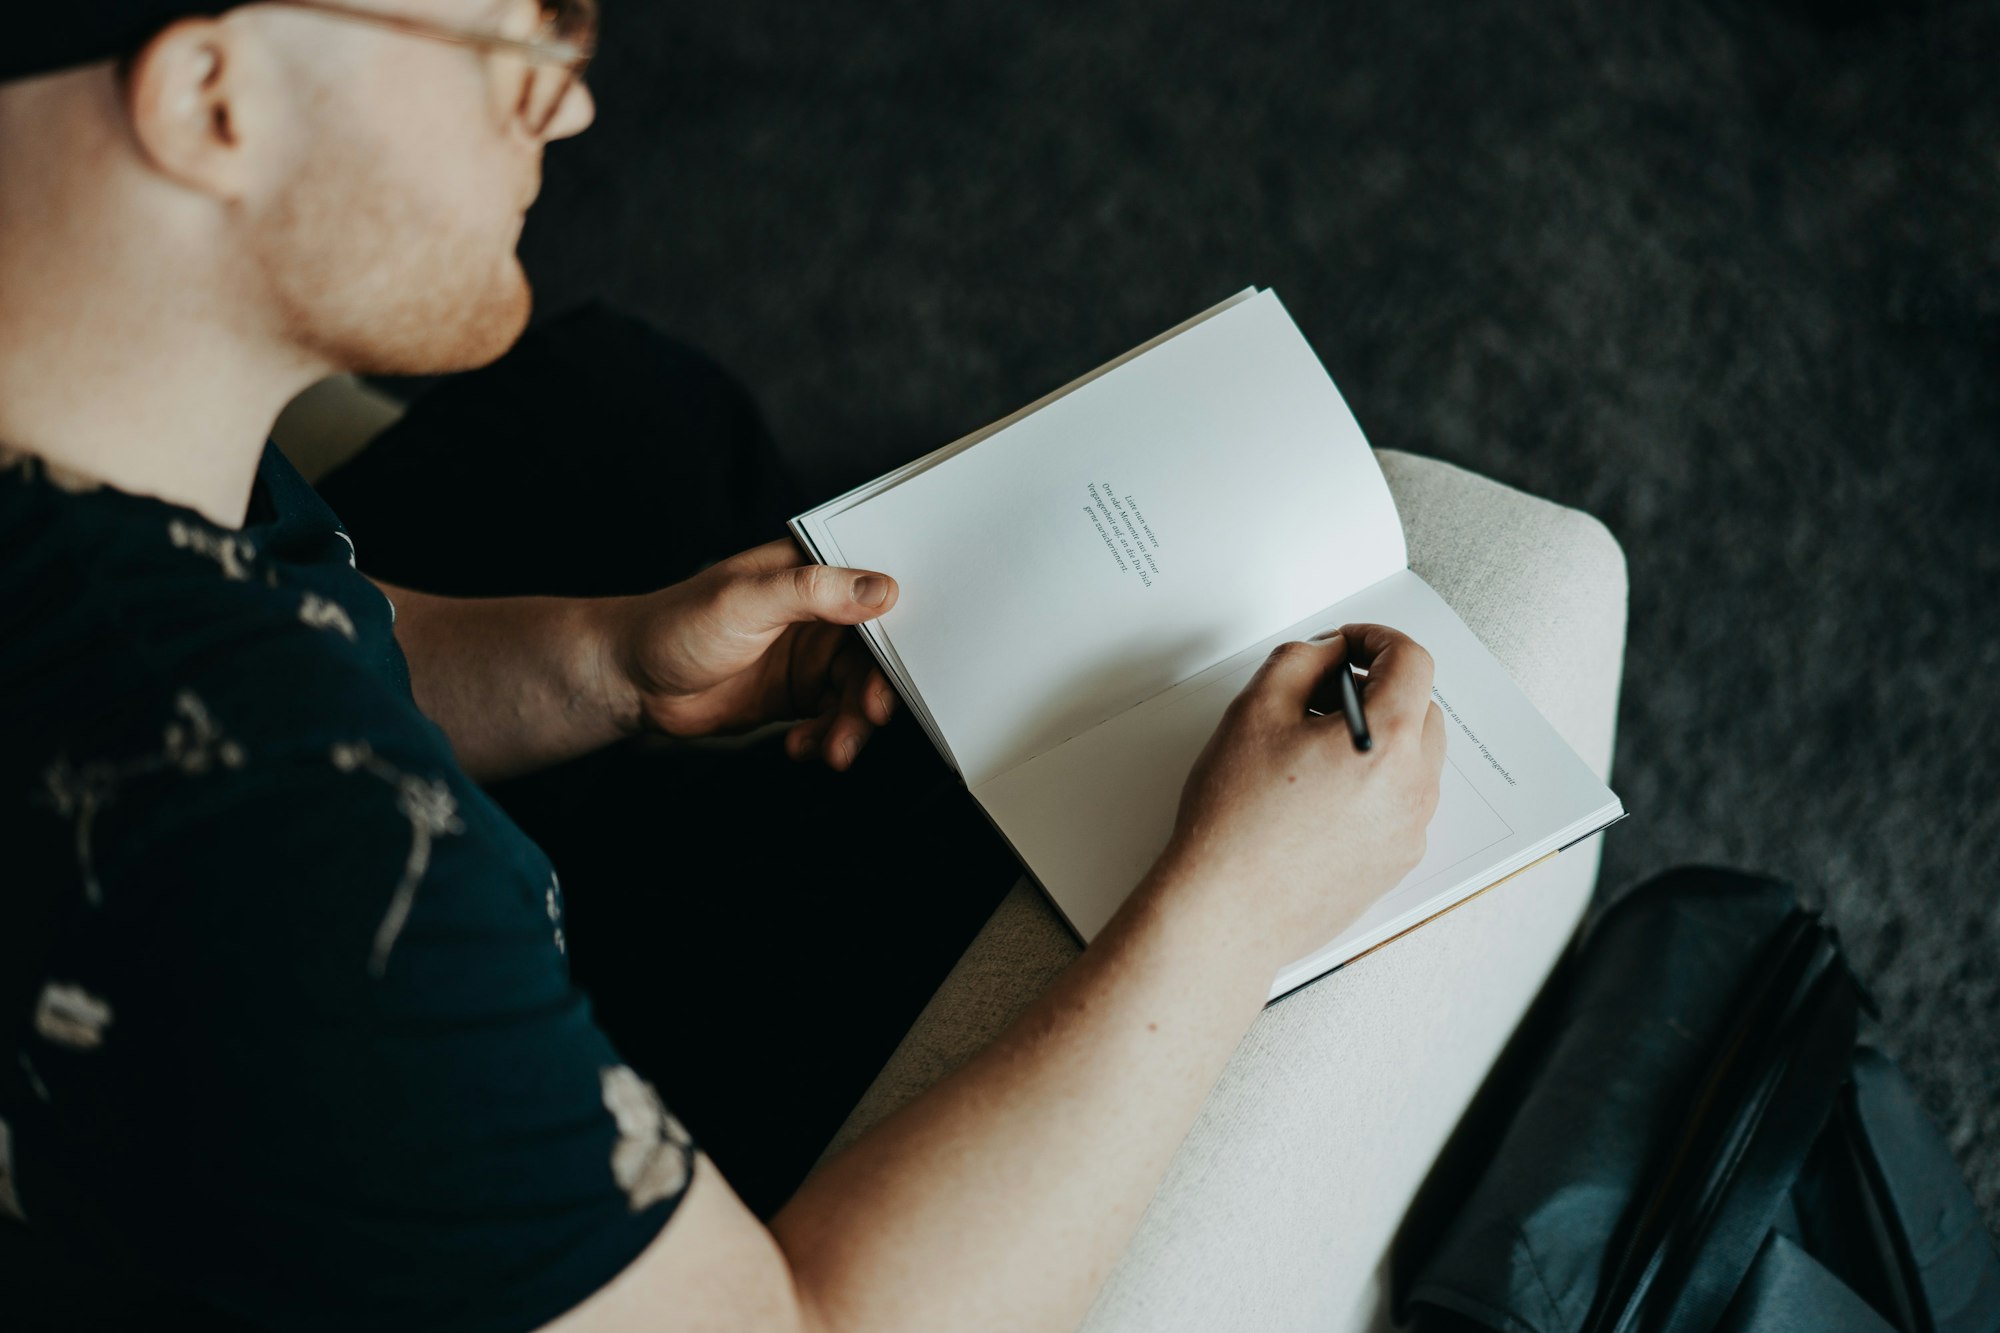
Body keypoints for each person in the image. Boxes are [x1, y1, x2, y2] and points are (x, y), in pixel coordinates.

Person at [0, 3, 1447, 1330]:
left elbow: (277, 614)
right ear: (209, 94)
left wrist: (603, 665)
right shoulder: (295, 867)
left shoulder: (90, 401)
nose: (564, 105)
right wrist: (1233, 907)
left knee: (636, 412)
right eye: (518, 32)